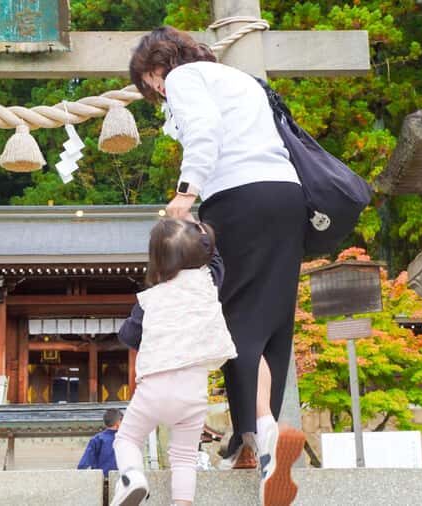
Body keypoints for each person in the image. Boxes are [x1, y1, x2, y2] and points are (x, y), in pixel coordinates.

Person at [129, 26, 307, 505]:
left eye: (150, 82)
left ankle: (264, 438)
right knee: (272, 327)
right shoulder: (239, 79)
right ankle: (249, 442)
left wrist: (186, 193)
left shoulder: (184, 78)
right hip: (286, 197)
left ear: (156, 67)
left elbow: (204, 131)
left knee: (234, 325)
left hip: (239, 199)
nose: (157, 91)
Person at [112, 218, 236, 506]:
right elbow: (217, 259)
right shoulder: (209, 282)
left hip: (154, 389)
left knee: (127, 439)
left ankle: (132, 476)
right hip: (193, 391)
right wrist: (196, 223)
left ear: (156, 260)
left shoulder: (150, 300)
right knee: (184, 456)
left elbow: (128, 335)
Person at [77, 408, 122, 477]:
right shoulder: (125, 439)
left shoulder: (97, 439)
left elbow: (83, 465)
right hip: (122, 479)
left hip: (101, 479)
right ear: (118, 423)